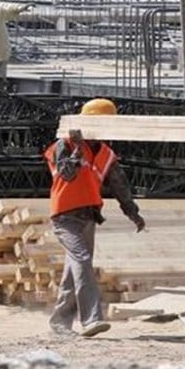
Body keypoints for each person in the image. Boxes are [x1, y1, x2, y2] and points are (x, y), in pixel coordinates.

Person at [44, 98, 147, 338]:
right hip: (64, 217)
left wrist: (133, 212)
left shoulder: (106, 153)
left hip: (88, 217)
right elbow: (66, 175)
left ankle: (59, 322)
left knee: (74, 270)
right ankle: (91, 319)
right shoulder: (64, 144)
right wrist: (77, 151)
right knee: (81, 260)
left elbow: (119, 184)